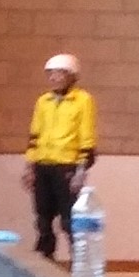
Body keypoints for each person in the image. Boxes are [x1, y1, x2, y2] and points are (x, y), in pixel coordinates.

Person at [26, 55, 97, 262]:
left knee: (68, 217)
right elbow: (35, 134)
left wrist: (81, 170)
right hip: (43, 163)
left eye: (59, 74)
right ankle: (45, 256)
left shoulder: (83, 100)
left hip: (67, 165)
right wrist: (30, 167)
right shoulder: (43, 101)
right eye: (51, 74)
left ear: (71, 76)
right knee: (42, 215)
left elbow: (86, 135)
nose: (54, 78)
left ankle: (79, 260)